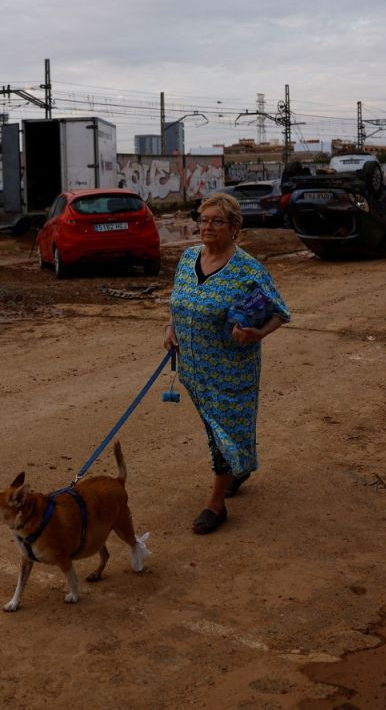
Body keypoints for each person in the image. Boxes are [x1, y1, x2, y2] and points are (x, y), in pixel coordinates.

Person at [164, 192, 289, 535]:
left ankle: (216, 505)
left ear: (234, 228)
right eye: (203, 219)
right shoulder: (189, 257)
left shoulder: (248, 269)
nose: (207, 226)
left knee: (221, 434)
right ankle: (238, 468)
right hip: (192, 368)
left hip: (231, 370)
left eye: (216, 221)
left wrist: (256, 334)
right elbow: (178, 302)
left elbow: (280, 311)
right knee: (216, 428)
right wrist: (171, 328)